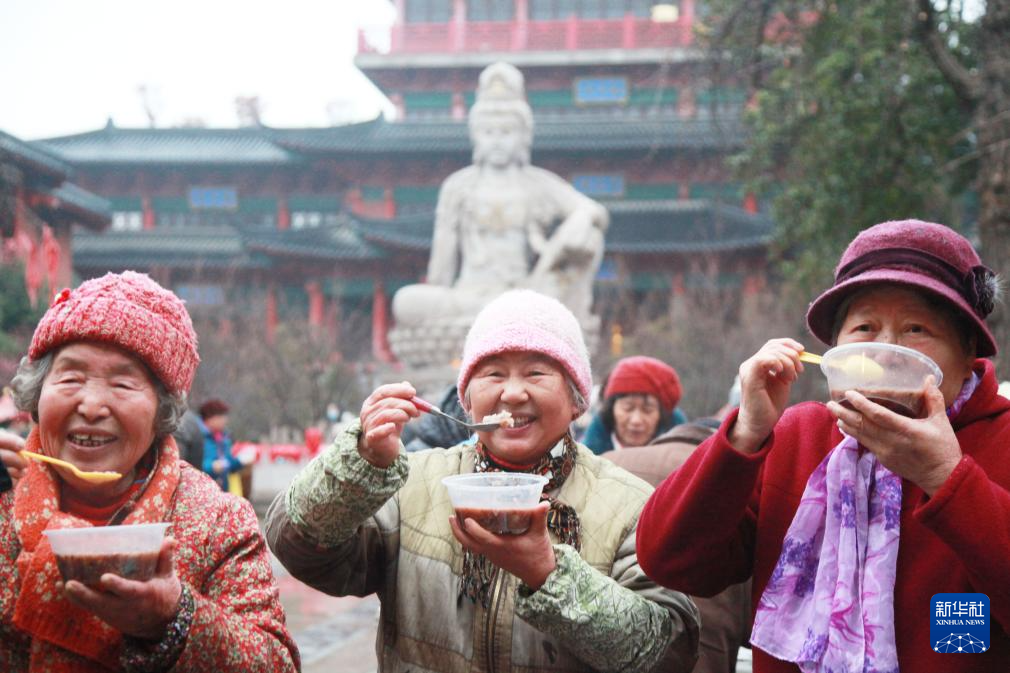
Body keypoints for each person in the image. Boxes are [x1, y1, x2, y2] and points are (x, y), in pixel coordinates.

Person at [636, 220, 1010, 672]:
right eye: (865, 327)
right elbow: (670, 560)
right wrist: (746, 432)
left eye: (916, 329)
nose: (885, 349)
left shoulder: (1000, 439)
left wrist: (945, 477)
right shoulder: (798, 437)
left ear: (968, 352)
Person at [266, 289, 700, 672]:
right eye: (493, 374)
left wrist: (549, 575)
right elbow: (300, 549)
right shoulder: (413, 484)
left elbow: (671, 653)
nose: (512, 392)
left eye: (536, 373)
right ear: (468, 400)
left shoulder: (629, 503)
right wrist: (360, 464)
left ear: (576, 400)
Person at [0, 271, 298, 672]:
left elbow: (275, 663)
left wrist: (172, 619)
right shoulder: (4, 496)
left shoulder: (217, 521)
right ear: (37, 393)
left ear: (162, 411)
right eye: (71, 378)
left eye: (123, 385)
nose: (92, 406)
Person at [391, 62, 609, 331]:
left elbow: (594, 211)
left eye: (506, 132)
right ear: (475, 135)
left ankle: (499, 323)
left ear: (523, 136)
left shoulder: (536, 183)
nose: (496, 140)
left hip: (522, 292)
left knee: (589, 237)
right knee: (406, 301)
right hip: (467, 295)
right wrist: (439, 289)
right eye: (488, 132)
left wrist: (578, 223)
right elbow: (442, 266)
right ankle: (503, 323)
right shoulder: (457, 186)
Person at [582, 355, 687, 455]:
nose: (636, 420)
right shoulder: (583, 459)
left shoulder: (680, 456)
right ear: (611, 409)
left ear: (661, 414)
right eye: (628, 408)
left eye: (647, 410)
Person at [197, 399, 242, 493]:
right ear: (210, 418)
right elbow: (193, 465)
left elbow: (228, 462)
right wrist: (211, 467)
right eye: (221, 418)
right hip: (203, 490)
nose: (225, 421)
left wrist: (239, 461)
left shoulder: (224, 437)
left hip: (222, 489)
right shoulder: (197, 436)